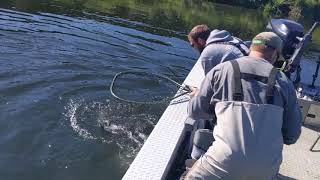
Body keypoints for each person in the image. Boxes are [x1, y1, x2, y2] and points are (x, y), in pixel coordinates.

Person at [185, 32, 302, 179]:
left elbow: (195, 112)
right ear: (275, 54)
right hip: (266, 170)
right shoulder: (285, 83)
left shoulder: (221, 70)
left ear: (251, 47)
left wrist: (199, 98)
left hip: (222, 164)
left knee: (191, 171)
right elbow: (291, 136)